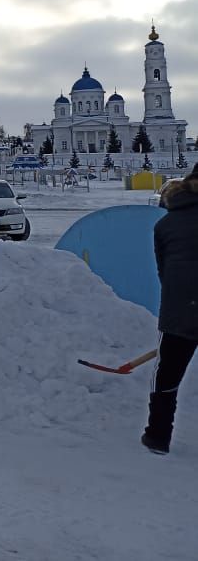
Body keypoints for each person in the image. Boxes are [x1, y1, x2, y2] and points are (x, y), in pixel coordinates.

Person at [142, 162, 198, 454]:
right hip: (182, 306)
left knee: (167, 376)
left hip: (180, 311)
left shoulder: (166, 223)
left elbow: (165, 272)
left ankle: (157, 437)